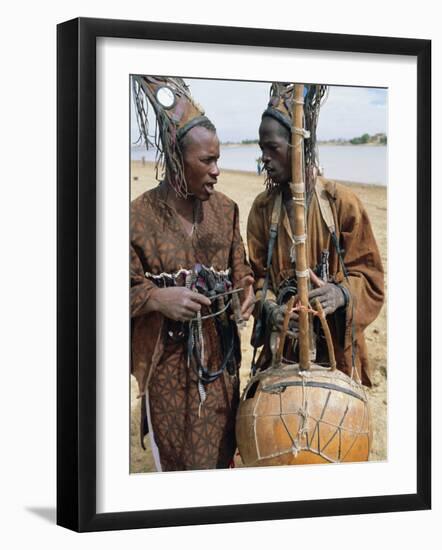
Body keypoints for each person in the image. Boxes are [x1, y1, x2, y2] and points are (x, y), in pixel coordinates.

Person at [131, 76, 254, 471]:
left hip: (221, 367)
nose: (217, 170)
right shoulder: (136, 217)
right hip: (165, 367)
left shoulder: (227, 210)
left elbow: (242, 270)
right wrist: (155, 298)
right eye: (207, 161)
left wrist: (244, 294)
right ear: (175, 158)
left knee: (221, 456)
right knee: (176, 462)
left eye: (218, 159)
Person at [247, 83, 384, 386]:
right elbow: (254, 278)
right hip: (281, 355)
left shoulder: (341, 203)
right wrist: (272, 309)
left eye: (273, 148)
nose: (265, 159)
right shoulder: (262, 209)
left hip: (338, 355)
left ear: (298, 147)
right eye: (261, 150)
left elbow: (371, 276)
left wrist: (341, 293)